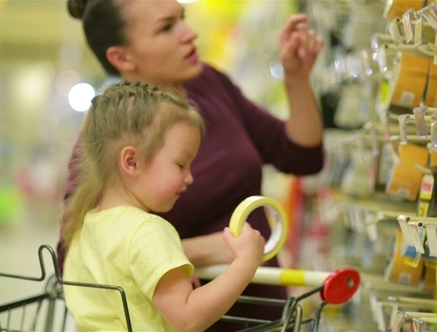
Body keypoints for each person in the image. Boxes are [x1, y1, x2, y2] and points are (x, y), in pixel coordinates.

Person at [60, 0, 325, 329]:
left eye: (182, 19)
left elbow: (302, 156)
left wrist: (297, 79)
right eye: (166, 27)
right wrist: (194, 252)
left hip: (264, 310)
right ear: (122, 57)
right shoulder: (109, 136)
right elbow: (77, 253)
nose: (189, 34)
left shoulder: (209, 84)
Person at [62, 81, 266, 331]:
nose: (190, 177)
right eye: (181, 164)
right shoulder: (147, 231)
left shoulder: (86, 226)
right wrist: (246, 262)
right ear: (132, 161)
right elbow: (188, 318)